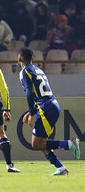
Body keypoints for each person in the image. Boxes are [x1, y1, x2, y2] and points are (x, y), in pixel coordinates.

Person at [18, 48, 80, 176]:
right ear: (32, 59)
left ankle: (69, 144)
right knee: (41, 143)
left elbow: (30, 93)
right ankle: (61, 168)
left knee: (36, 143)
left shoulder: (24, 72)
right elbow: (40, 94)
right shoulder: (38, 70)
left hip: (46, 108)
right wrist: (31, 112)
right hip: (51, 105)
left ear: (19, 59)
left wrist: (32, 112)